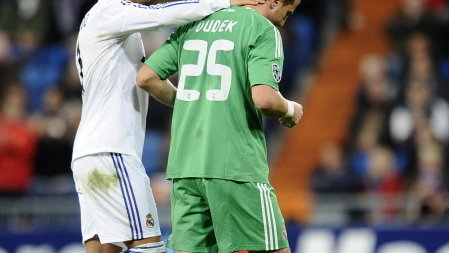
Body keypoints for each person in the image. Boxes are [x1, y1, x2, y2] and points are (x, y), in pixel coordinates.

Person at [71, 0, 262, 252]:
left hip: (90, 155)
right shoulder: (110, 10)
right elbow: (164, 14)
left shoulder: (100, 18)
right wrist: (227, 2)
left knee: (105, 248)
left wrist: (189, 106)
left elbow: (144, 77)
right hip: (112, 151)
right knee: (149, 246)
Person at [136, 0, 303, 252]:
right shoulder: (262, 29)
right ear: (275, 1)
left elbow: (146, 77)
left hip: (185, 168)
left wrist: (192, 104)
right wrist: (290, 109)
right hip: (235, 165)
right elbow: (265, 98)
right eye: (287, 13)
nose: (283, 20)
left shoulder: (195, 23)